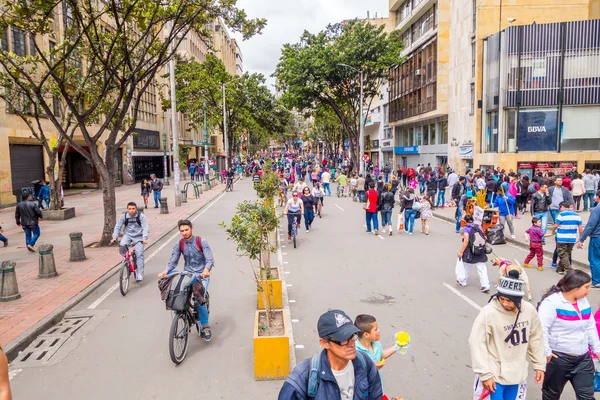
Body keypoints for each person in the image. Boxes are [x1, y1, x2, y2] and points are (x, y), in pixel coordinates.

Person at [469, 270, 545, 400]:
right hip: (493, 375)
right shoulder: (488, 313)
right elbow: (476, 343)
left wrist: (539, 365)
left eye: (509, 300)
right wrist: (485, 374)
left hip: (517, 375)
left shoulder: (529, 311)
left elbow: (535, 338)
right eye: (502, 298)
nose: (504, 303)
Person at [278, 309, 383, 400]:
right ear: (324, 343)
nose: (351, 344)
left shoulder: (364, 363)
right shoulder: (303, 377)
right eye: (343, 340)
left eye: (352, 336)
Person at [537, 270, 600, 399]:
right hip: (558, 359)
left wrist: (597, 349)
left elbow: (590, 327)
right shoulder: (551, 303)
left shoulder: (583, 302)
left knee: (587, 397)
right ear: (575, 287)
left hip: (583, 359)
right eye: (586, 287)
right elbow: (541, 329)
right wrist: (547, 352)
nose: (589, 290)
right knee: (551, 395)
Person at [158, 219, 214, 341]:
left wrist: (206, 270)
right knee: (177, 292)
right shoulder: (179, 244)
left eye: (186, 230)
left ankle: (205, 325)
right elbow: (173, 261)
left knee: (199, 299)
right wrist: (166, 271)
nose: (184, 233)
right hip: (187, 274)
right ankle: (184, 313)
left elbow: (209, 260)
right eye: (182, 231)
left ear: (191, 228)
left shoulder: (201, 241)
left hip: (201, 275)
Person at [355, 314, 408, 397]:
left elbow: (381, 355)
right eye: (376, 329)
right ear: (366, 335)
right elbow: (354, 371)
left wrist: (397, 347)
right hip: (364, 392)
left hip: (378, 388)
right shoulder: (356, 351)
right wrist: (371, 368)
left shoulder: (376, 344)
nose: (379, 330)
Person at [110, 202, 149, 281]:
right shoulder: (124, 216)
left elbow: (145, 227)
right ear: (127, 209)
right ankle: (126, 261)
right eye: (130, 209)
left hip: (139, 237)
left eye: (133, 209)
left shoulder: (141, 216)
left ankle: (140, 273)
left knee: (139, 255)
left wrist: (144, 238)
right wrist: (114, 237)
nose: (131, 210)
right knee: (122, 244)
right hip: (128, 235)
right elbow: (118, 226)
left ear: (136, 209)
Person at [546, 201, 582, 275]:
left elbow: (555, 225)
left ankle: (569, 271)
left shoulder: (561, 215)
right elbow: (580, 228)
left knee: (562, 254)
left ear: (564, 207)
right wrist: (580, 238)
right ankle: (560, 268)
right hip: (572, 238)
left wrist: (553, 232)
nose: (560, 209)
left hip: (562, 237)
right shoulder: (577, 215)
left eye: (561, 207)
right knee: (567, 253)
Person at [456, 215, 491, 293]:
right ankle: (485, 285)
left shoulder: (466, 229)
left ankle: (463, 281)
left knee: (466, 267)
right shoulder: (479, 226)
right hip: (480, 250)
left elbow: (466, 241)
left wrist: (461, 252)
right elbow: (484, 237)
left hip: (470, 251)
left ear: (465, 221)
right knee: (482, 269)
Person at [578, 189, 600, 288]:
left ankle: (596, 281)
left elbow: (590, 225)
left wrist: (582, 239)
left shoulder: (596, 209)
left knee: (594, 259)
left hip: (597, 237)